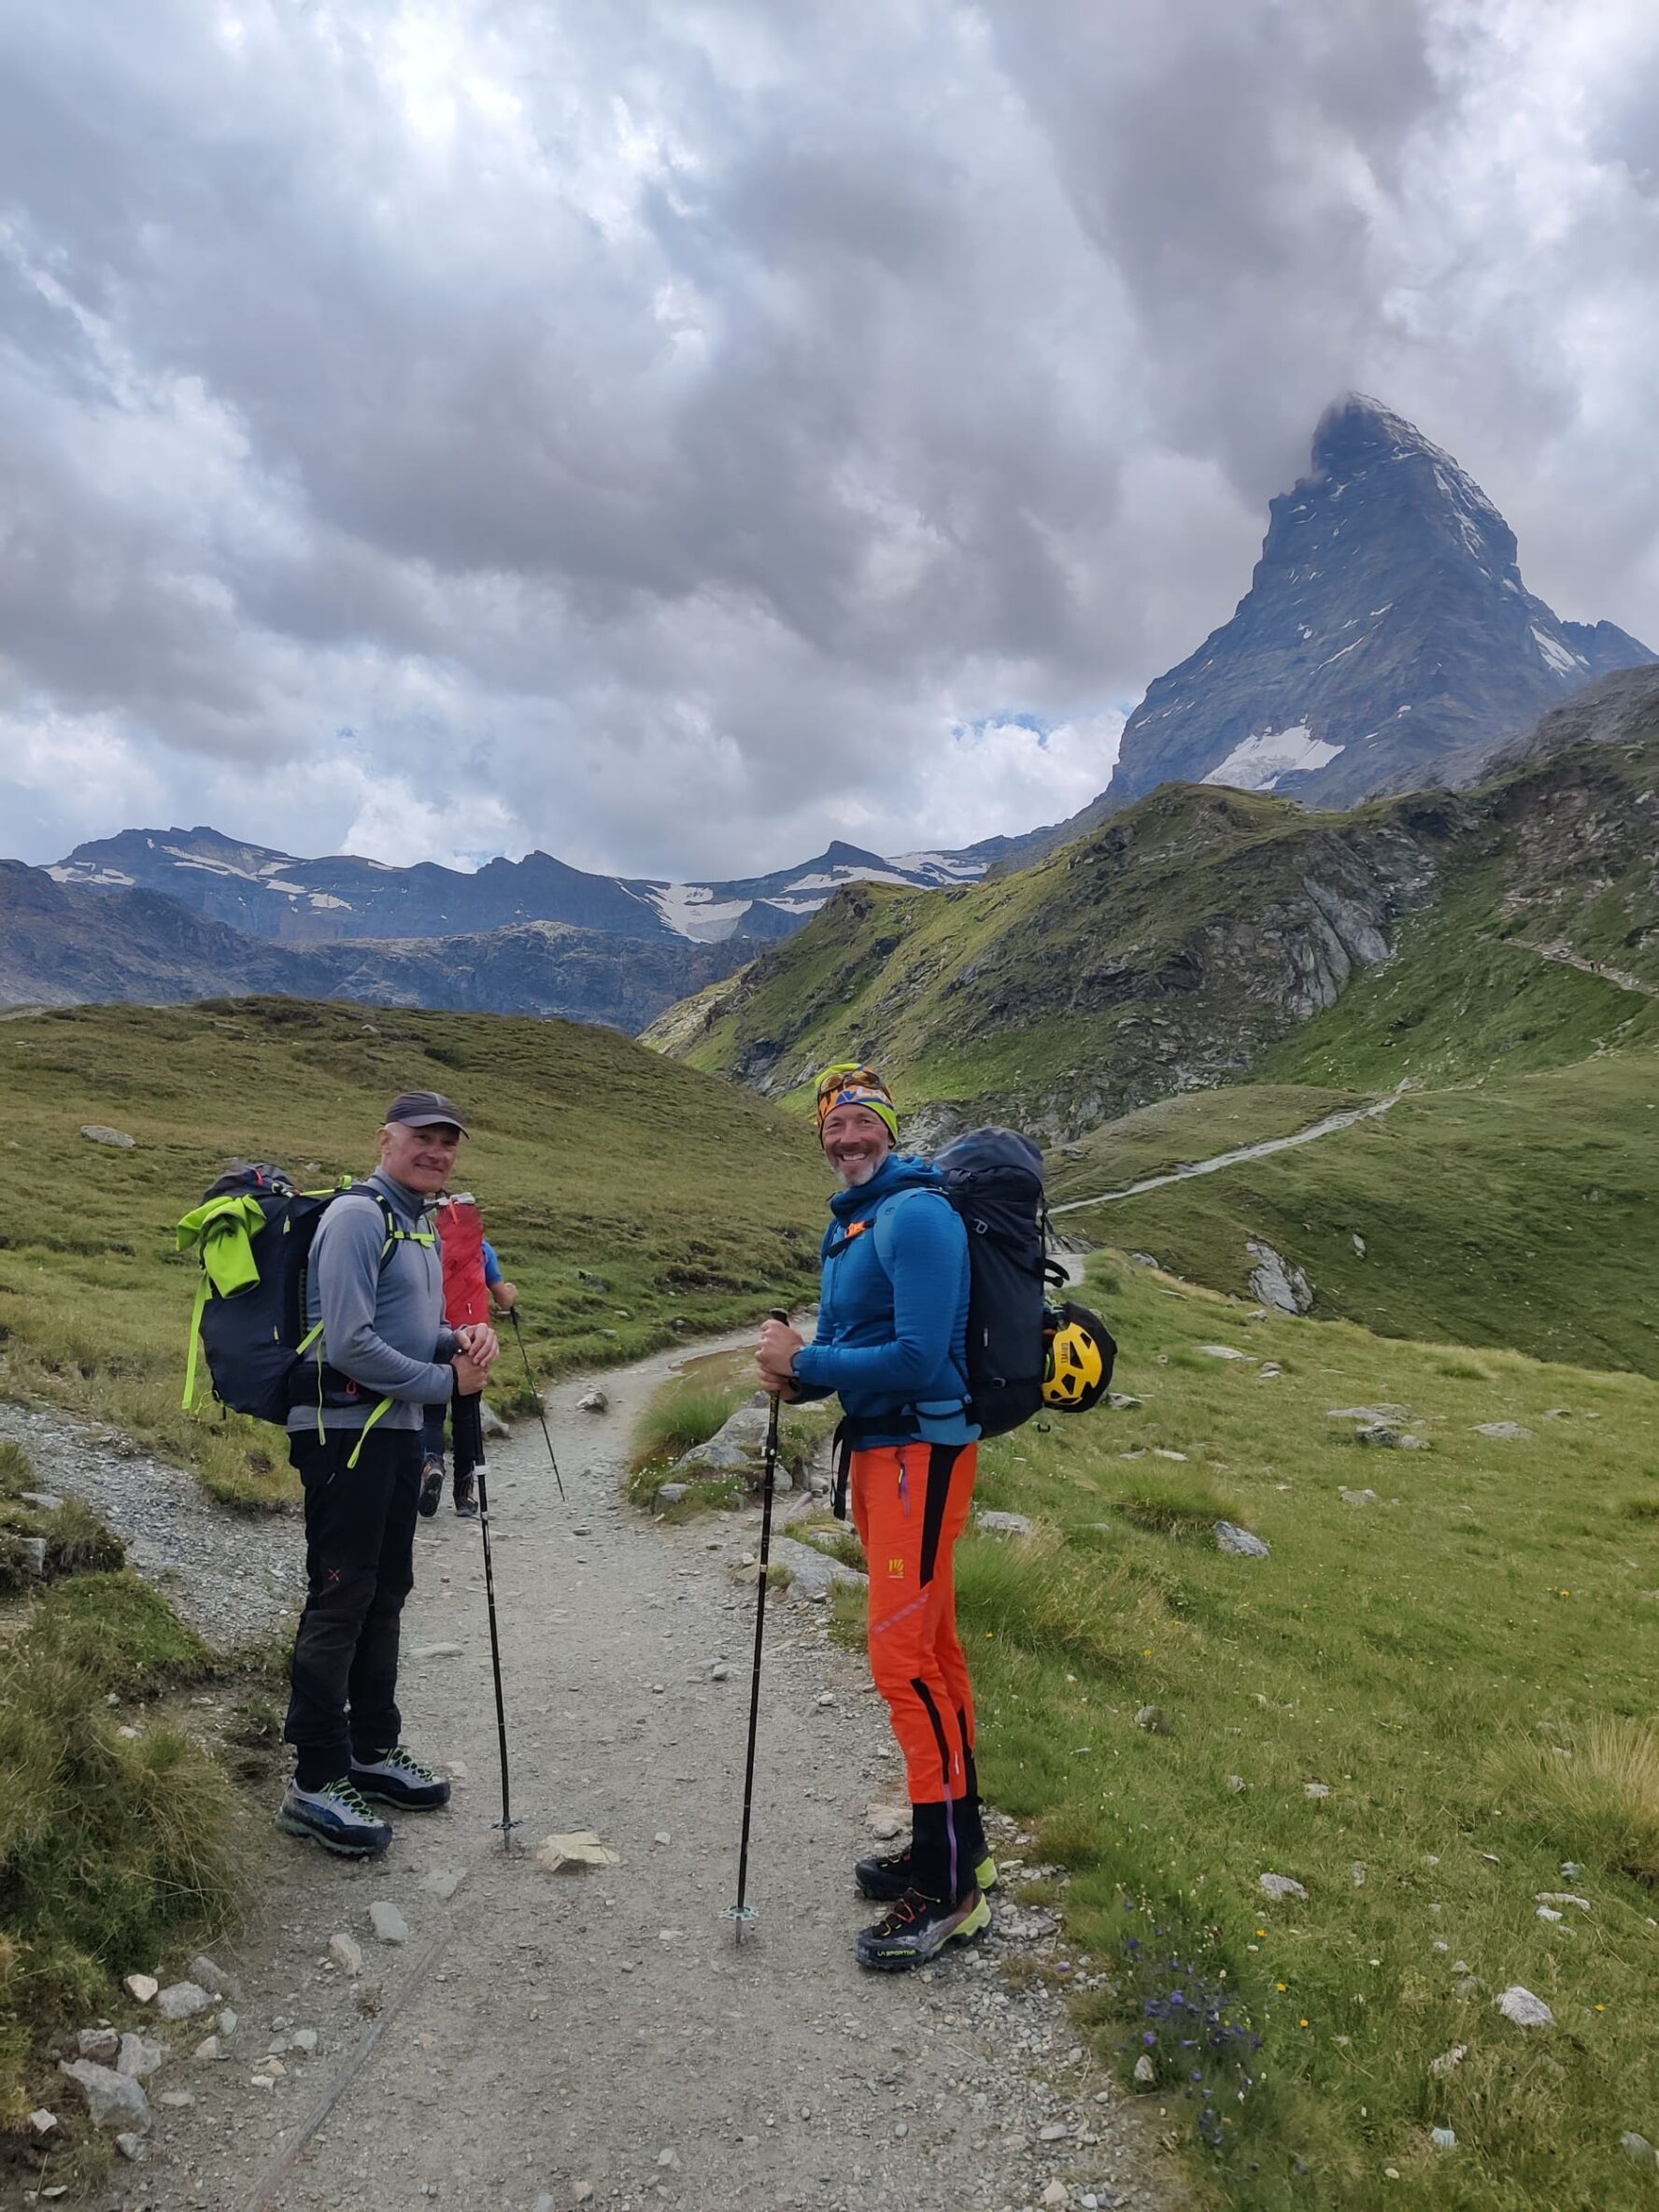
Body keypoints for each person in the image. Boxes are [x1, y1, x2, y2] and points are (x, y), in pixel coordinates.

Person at [756, 1063, 993, 1970]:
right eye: (835, 1122)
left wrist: (808, 1359)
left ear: (889, 1126)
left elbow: (921, 1356)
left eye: (862, 1120)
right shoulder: (852, 1221)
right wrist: (801, 1367)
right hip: (889, 1457)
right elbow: (861, 1350)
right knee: (934, 1654)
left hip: (919, 1457)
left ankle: (947, 1889)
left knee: (903, 1663)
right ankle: (961, 1847)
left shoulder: (917, 1214)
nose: (848, 1136)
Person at [277, 1091, 499, 1858]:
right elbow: (347, 1343)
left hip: (396, 1432)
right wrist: (448, 1385)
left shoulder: (418, 1223)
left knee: (386, 1591)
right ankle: (315, 1778)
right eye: (423, 1139)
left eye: (449, 1143)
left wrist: (452, 1338)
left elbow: (401, 1329)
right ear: (385, 1140)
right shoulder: (358, 1216)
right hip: (343, 1435)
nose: (437, 1152)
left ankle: (372, 1751)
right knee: (341, 1596)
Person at [420, 1201, 519, 1520]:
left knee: (431, 1414)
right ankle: (465, 1494)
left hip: (436, 1336)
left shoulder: (428, 1244)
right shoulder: (483, 1250)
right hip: (475, 1340)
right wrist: (512, 1294)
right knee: (467, 1418)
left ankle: (431, 1463)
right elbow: (503, 1299)